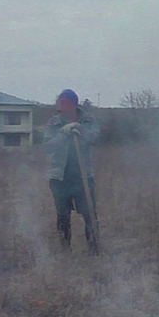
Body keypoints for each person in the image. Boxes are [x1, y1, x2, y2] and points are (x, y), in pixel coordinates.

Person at [44, 89, 101, 253]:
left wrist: (79, 129)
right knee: (62, 215)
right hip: (59, 177)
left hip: (83, 175)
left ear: (74, 104)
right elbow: (48, 147)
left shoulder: (88, 119)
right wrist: (64, 133)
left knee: (89, 213)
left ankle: (94, 249)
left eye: (64, 103)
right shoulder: (53, 122)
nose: (60, 107)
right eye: (59, 103)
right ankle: (65, 249)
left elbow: (94, 139)